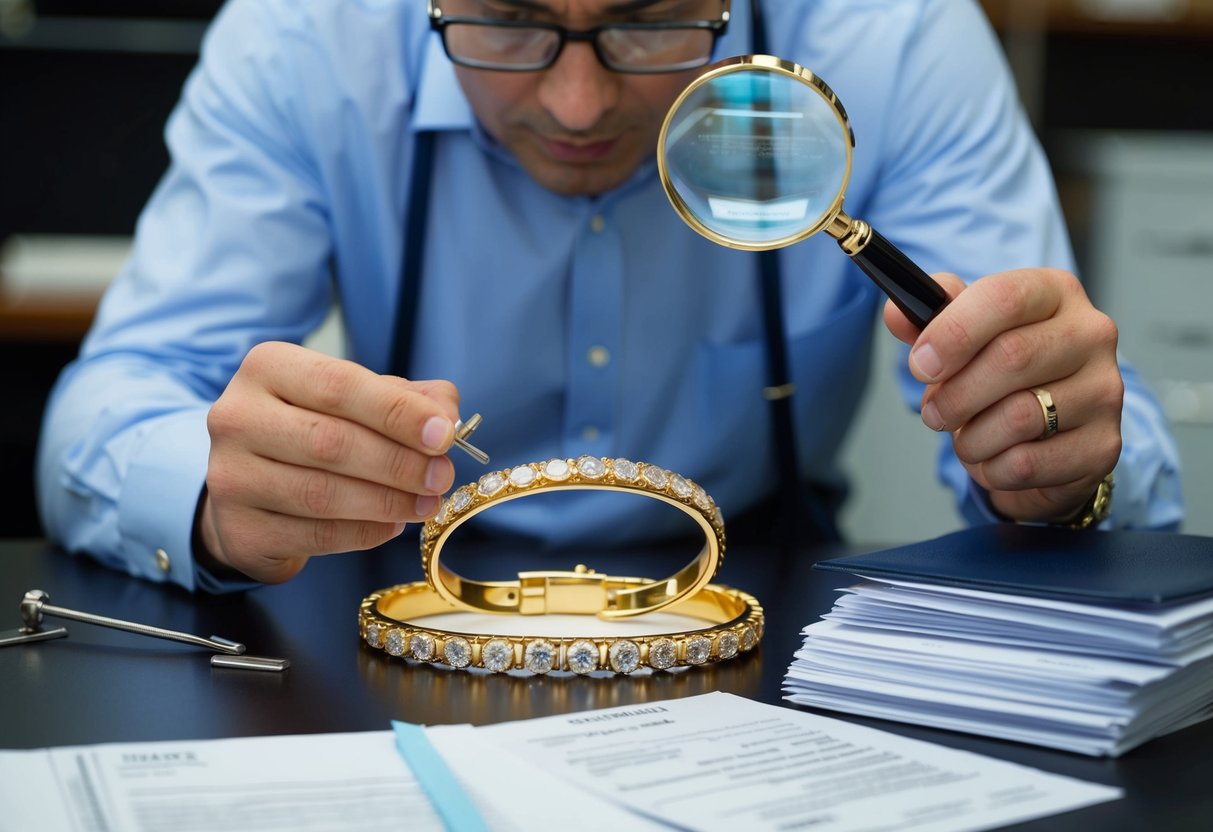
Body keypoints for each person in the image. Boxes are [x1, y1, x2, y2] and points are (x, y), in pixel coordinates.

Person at [36, 0, 1182, 592]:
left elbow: (1070, 424)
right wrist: (211, 498)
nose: (578, 105)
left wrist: (1064, 466)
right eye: (508, 22)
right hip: (395, 607)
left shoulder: (891, 38)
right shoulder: (308, 38)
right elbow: (110, 404)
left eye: (646, 21)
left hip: (769, 610)